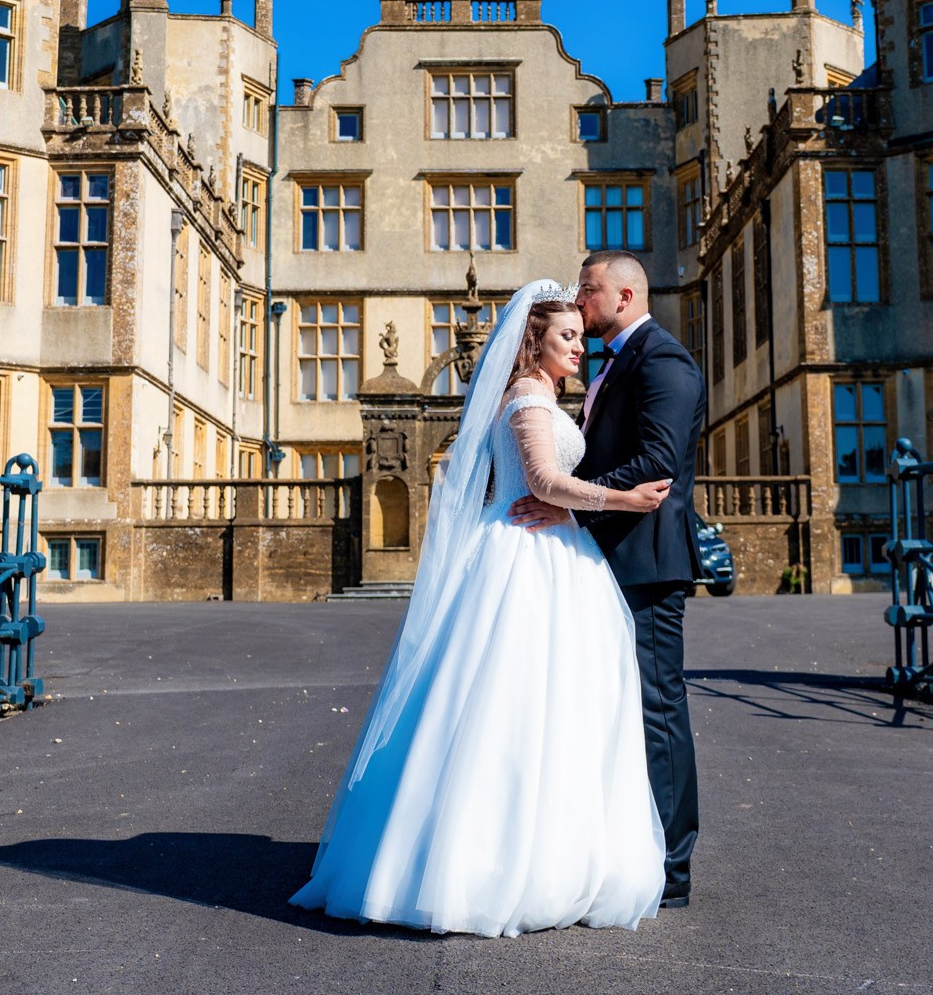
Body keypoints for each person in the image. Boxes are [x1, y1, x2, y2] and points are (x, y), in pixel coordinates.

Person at [290, 281, 671, 936]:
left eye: (580, 335)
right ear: (534, 340)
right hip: (527, 559)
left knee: (548, 713)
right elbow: (545, 482)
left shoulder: (542, 394)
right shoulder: (526, 394)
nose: (579, 347)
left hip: (548, 552)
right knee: (514, 709)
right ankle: (488, 864)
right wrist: (626, 500)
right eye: (566, 336)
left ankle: (543, 851)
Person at [510, 250, 706, 909]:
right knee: (612, 709)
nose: (577, 299)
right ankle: (618, 847)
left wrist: (570, 501)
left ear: (624, 295)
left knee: (656, 709)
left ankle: (673, 867)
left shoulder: (664, 361)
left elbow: (658, 460)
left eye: (587, 290)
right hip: (606, 558)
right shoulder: (617, 362)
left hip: (647, 562)